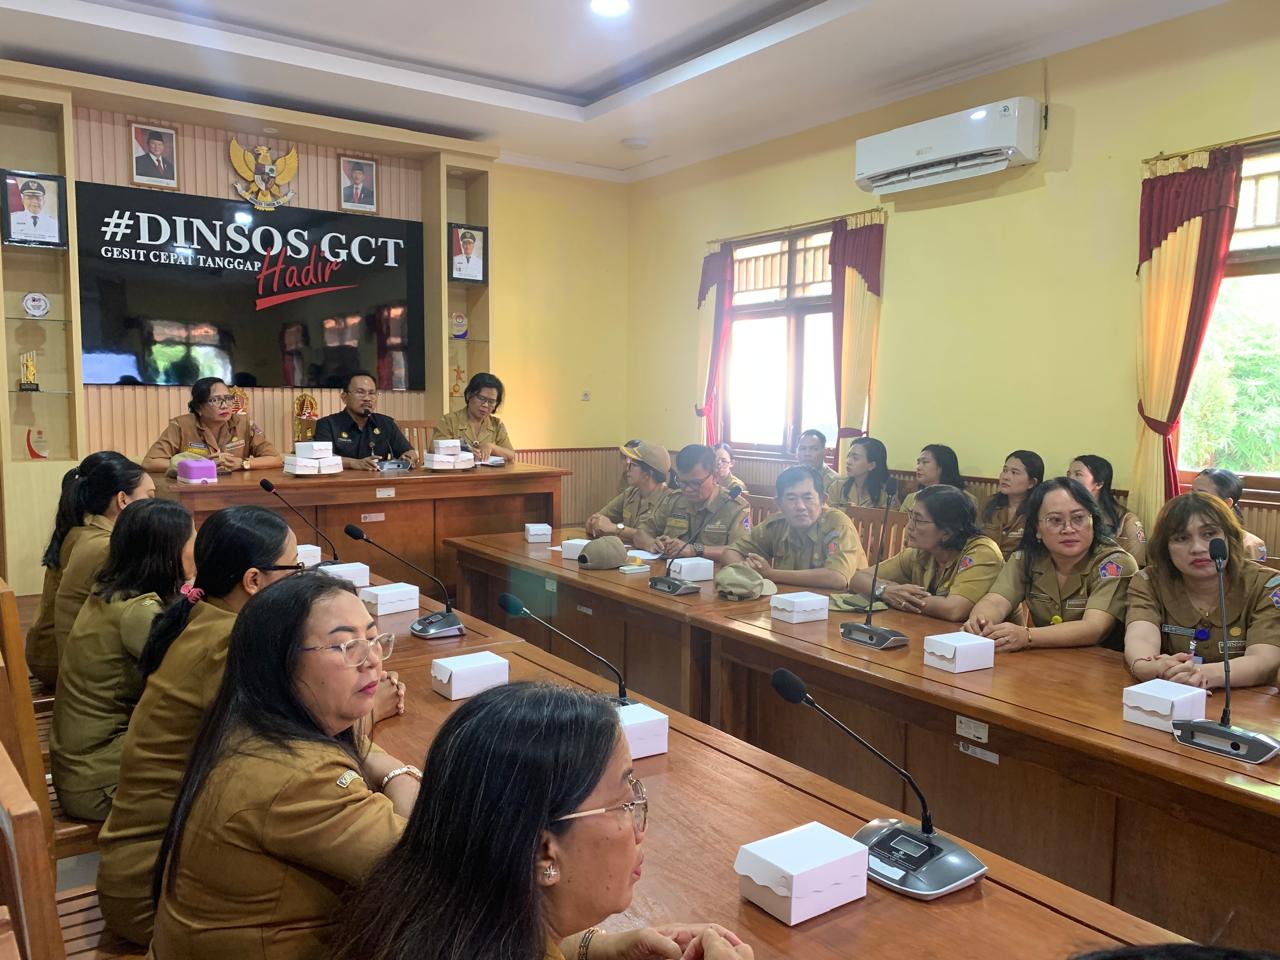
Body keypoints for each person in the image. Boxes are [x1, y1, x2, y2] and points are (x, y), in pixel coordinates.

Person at [332, 682, 752, 960]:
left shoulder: (435, 914)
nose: (640, 830)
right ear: (543, 852)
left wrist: (602, 948)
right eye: (624, 804)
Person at [150, 572, 421, 960]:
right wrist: (402, 777)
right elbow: (419, 861)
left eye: (374, 639)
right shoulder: (299, 777)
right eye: (346, 646)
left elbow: (358, 744)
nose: (373, 660)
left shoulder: (250, 721)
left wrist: (386, 767)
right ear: (281, 663)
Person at [50, 499, 195, 821]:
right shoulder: (137, 613)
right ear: (167, 552)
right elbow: (194, 681)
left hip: (85, 766)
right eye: (192, 539)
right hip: (99, 783)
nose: (197, 549)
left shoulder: (112, 591)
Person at [1124, 492, 1280, 690]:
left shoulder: (1268, 585)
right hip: (1168, 694)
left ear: (1230, 538)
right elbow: (1141, 637)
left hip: (1245, 699)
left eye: (1209, 534)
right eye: (1181, 538)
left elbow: (1264, 660)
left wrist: (1199, 675)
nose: (1197, 548)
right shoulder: (1148, 581)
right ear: (1165, 548)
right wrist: (1149, 667)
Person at [965, 477, 1138, 652]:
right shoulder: (1026, 559)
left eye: (1078, 518)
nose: (1068, 529)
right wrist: (981, 622)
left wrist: (1027, 636)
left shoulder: (1114, 564)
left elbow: (1094, 628)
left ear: (1093, 521)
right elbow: (995, 601)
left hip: (1104, 662)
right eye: (1055, 520)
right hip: (1047, 657)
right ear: (1037, 529)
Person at [26, 451, 129, 688]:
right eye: (147, 496)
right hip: (55, 659)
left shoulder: (82, 527)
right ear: (122, 499)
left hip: (45, 651)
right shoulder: (99, 543)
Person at [850, 485, 1004, 622]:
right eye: (911, 516)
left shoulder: (982, 552)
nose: (909, 526)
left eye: (919, 520)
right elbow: (857, 578)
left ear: (947, 532)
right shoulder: (920, 552)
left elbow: (954, 609)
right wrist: (885, 591)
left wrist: (901, 597)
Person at [54, 457, 156, 661]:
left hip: (71, 655)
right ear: (123, 499)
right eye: (150, 496)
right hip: (76, 661)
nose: (155, 505)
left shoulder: (89, 530)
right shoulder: (106, 547)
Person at [720, 465, 867, 590]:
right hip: (787, 602)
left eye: (808, 498)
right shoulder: (777, 523)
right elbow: (730, 552)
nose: (800, 506)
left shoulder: (837, 523)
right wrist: (747, 571)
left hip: (838, 607)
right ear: (779, 504)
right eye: (791, 498)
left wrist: (771, 574)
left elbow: (837, 578)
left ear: (823, 499)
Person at [143, 377, 282, 474]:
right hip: (195, 491)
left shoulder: (244, 424)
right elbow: (150, 462)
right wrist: (199, 465)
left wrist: (243, 464)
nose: (225, 406)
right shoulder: (181, 425)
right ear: (198, 407)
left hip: (234, 490)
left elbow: (276, 459)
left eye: (228, 399)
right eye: (215, 400)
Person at [634, 444, 750, 562]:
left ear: (714, 477)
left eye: (695, 483)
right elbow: (641, 532)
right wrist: (651, 543)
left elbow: (741, 551)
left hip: (714, 571)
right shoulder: (675, 499)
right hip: (670, 568)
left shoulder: (734, 507)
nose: (688, 489)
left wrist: (696, 550)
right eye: (682, 482)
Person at [313, 371, 420, 470]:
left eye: (372, 393)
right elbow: (322, 458)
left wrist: (408, 457)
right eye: (360, 392)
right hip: (342, 482)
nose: (367, 398)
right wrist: (354, 463)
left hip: (379, 481)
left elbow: (409, 452)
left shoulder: (386, 424)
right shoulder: (327, 424)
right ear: (344, 397)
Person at [585, 441, 672, 542]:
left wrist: (616, 528)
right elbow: (596, 519)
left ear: (648, 474)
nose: (627, 469)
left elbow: (651, 538)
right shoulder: (631, 493)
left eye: (633, 465)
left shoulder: (670, 500)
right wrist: (595, 523)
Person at [1067, 454, 1146, 565]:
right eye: (1068, 474)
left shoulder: (1126, 520)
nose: (1069, 480)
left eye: (1078, 474)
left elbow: (1137, 564)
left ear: (1099, 484)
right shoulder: (1063, 514)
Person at [434, 372, 517, 462]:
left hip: (487, 471)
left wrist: (492, 447)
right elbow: (434, 449)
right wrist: (464, 452)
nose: (485, 405)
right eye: (481, 398)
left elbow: (510, 454)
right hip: (459, 470)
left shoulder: (496, 424)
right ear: (469, 395)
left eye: (491, 402)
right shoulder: (449, 421)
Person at [1192, 468, 1268, 561]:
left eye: (1201, 496)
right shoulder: (1180, 536)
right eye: (1192, 492)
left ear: (1226, 503)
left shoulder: (1249, 545)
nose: (1191, 499)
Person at [980, 450, 1045, 558]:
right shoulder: (989, 503)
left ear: (1031, 483)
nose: (1005, 477)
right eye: (1005, 470)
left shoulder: (1038, 511)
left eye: (1014, 472)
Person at [898, 444, 975, 514]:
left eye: (925, 462)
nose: (918, 467)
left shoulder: (965, 500)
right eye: (918, 462)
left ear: (942, 466)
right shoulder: (911, 499)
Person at [828, 437, 896, 509]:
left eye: (855, 458)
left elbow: (892, 514)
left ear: (871, 465)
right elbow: (828, 513)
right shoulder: (837, 487)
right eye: (848, 456)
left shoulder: (886, 493)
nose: (848, 461)